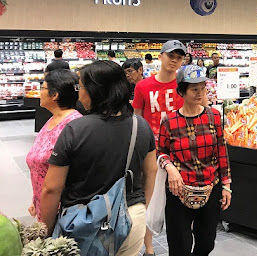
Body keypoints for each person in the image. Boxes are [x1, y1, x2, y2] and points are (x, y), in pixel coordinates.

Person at [39, 61, 157, 256]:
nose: (79, 94)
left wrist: (46, 232)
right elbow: (151, 171)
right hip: (131, 217)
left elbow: (52, 188)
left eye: (81, 87)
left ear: (95, 90)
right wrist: (141, 207)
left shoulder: (75, 130)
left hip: (84, 223)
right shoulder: (141, 126)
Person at [158, 65, 231, 256]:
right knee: (179, 246)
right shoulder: (169, 121)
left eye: (203, 88)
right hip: (179, 190)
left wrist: (226, 185)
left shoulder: (213, 116)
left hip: (210, 187)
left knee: (206, 243)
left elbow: (221, 150)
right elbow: (161, 152)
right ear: (182, 92)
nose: (200, 93)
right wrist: (170, 168)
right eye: (194, 89)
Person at [132, 40, 186, 256]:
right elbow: (136, 118)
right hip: (151, 152)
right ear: (160, 56)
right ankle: (149, 247)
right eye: (170, 55)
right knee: (149, 198)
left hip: (180, 151)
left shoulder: (184, 86)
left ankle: (178, 245)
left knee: (177, 200)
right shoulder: (143, 86)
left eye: (179, 57)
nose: (174, 60)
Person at [26, 70, 82, 221]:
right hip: (46, 205)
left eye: (43, 88)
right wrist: (36, 199)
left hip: (63, 214)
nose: (40, 92)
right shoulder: (52, 120)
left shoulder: (73, 125)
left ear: (55, 95)